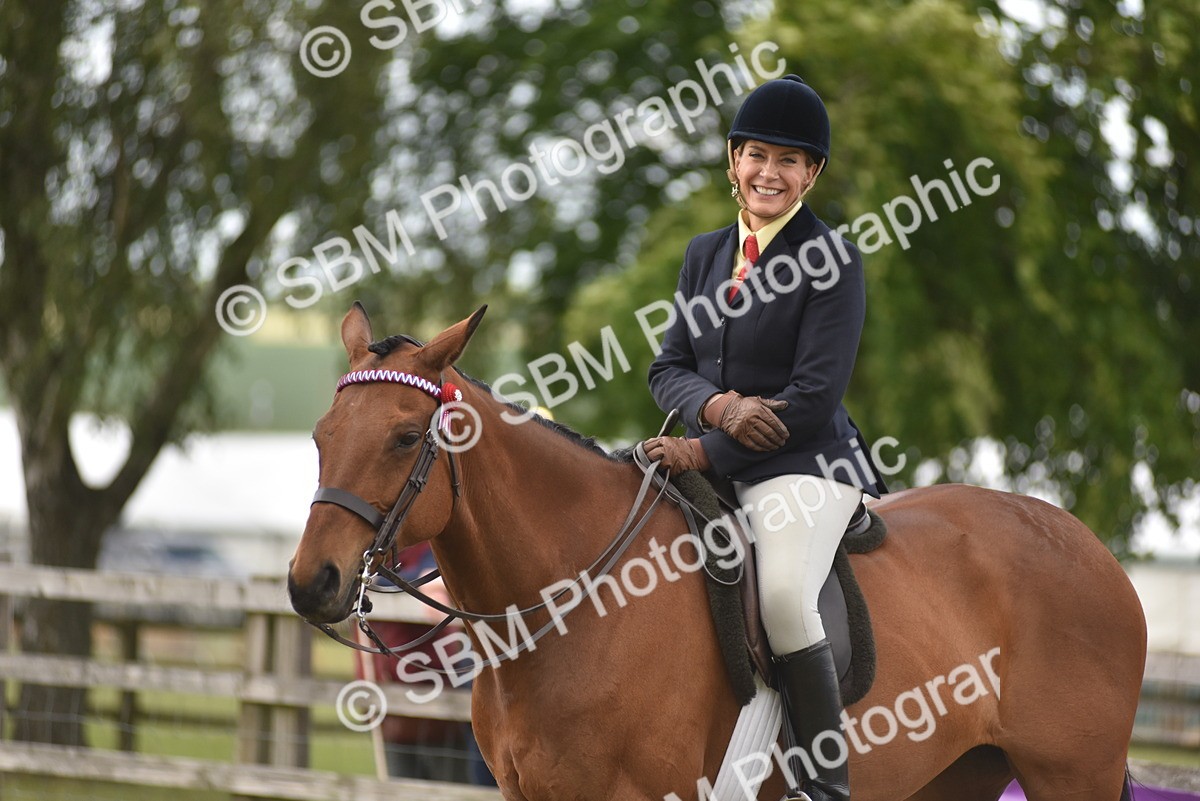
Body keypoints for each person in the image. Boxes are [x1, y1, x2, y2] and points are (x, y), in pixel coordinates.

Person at [644, 74, 886, 801]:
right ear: (733, 161)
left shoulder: (833, 260)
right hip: (715, 453)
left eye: (788, 160)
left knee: (781, 597)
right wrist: (718, 408)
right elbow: (667, 368)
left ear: (812, 173)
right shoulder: (704, 254)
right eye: (756, 155)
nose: (768, 172)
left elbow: (811, 400)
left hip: (807, 467)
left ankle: (823, 784)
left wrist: (701, 451)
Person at [354, 541, 496, 786]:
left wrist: (385, 583)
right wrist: (410, 582)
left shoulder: (429, 544)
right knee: (400, 788)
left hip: (440, 707)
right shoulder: (366, 548)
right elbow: (358, 583)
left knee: (454, 787)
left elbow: (439, 577)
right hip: (389, 710)